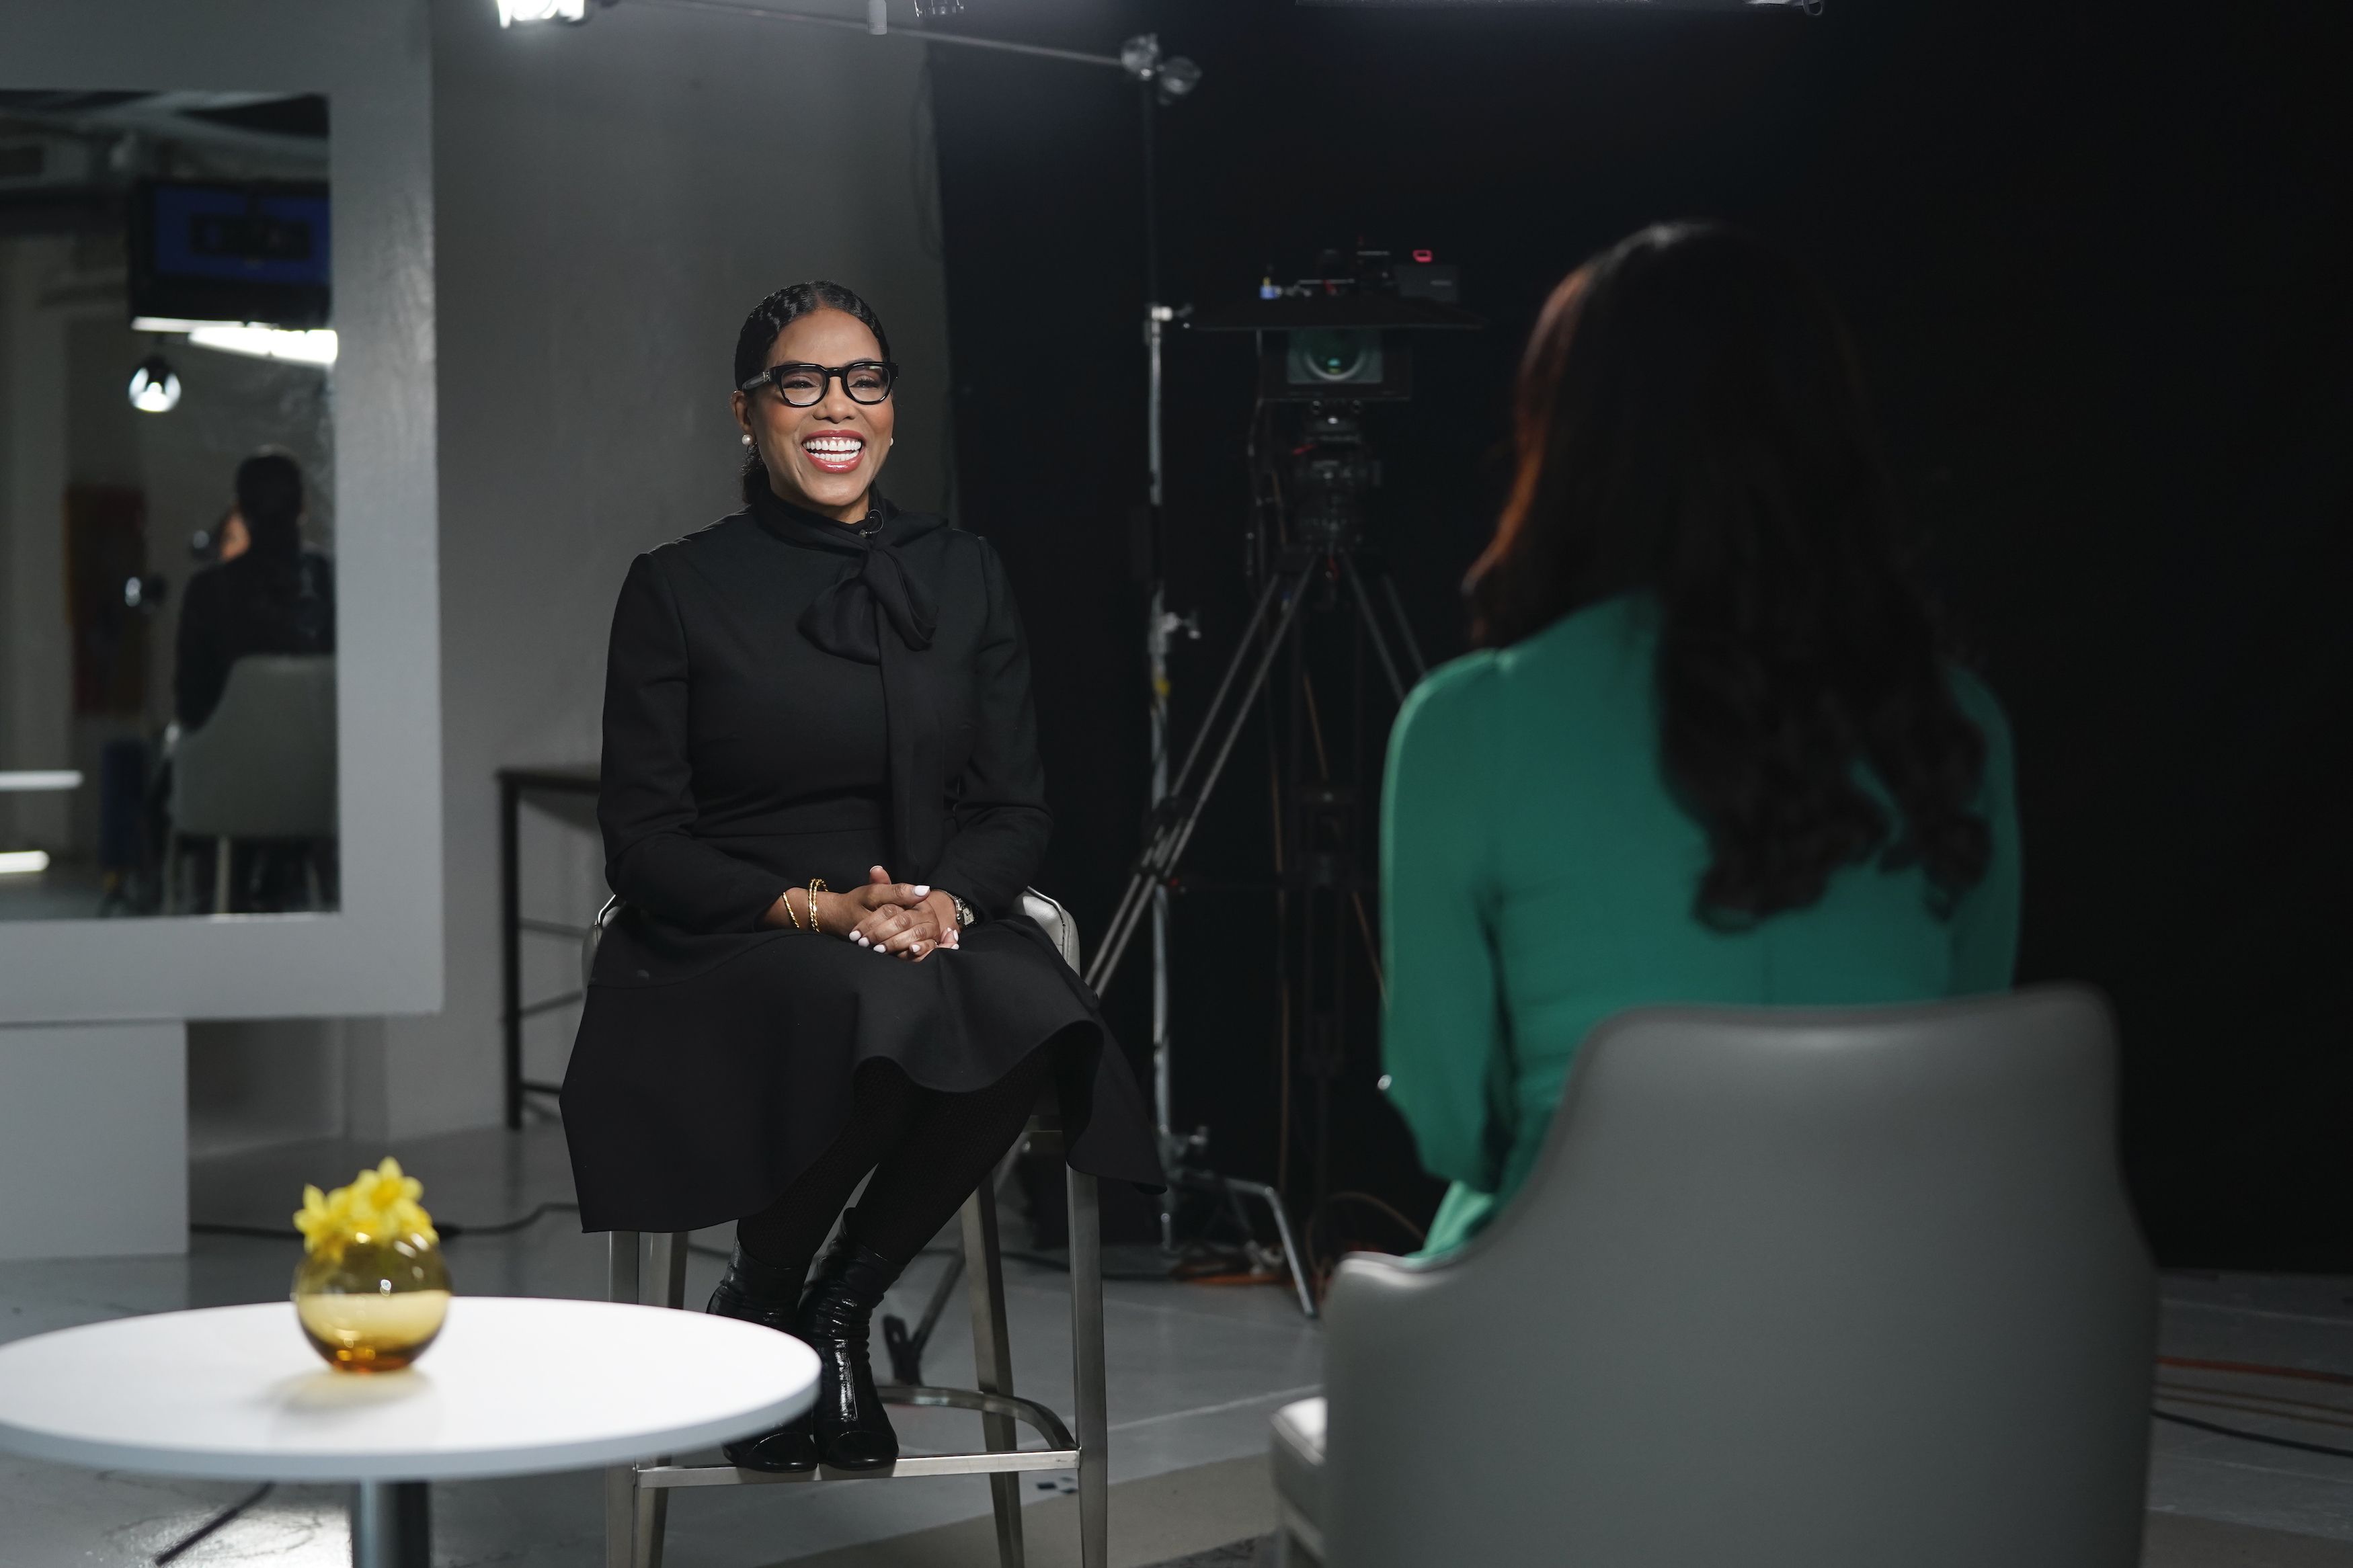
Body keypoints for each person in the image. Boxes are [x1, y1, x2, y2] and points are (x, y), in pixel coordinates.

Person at [561, 281, 1160, 1473]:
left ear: (892, 409)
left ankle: (808, 1303)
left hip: (921, 915)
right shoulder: (678, 587)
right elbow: (644, 839)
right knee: (878, 999)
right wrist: (820, 909)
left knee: (1035, 1001)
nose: (836, 406)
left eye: (865, 380)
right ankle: (786, 1306)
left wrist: (944, 900)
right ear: (748, 411)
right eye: (801, 381)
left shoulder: (965, 571)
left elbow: (1012, 802)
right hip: (737, 926)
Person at [1380, 224, 2020, 1258]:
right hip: (1905, 1338)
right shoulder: (1959, 726)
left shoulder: (1467, 724)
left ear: (1572, 440)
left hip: (1569, 1336)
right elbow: (1969, 1061)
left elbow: (1450, 1115)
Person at [174, 450, 333, 729]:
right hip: (324, 758)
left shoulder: (208, 591)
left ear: (241, 512)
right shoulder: (333, 579)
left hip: (231, 758)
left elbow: (190, 707)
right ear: (302, 508)